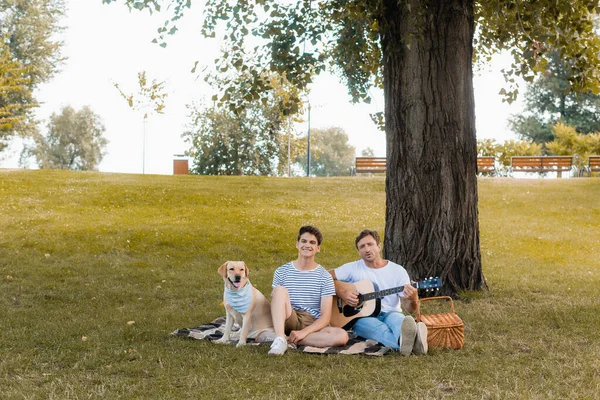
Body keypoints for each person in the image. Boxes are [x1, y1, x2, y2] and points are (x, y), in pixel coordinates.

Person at [329, 229, 428, 356]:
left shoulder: (397, 271)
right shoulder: (352, 268)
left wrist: (413, 298)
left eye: (370, 244)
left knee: (399, 323)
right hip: (362, 317)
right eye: (362, 247)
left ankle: (406, 341)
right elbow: (324, 277)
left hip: (391, 313)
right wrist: (342, 293)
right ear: (359, 252)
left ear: (379, 247)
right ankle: (414, 343)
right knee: (380, 330)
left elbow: (410, 310)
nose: (367, 249)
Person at [268, 225, 349, 356]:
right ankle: (280, 337)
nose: (307, 245)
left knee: (342, 336)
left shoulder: (324, 276)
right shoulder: (281, 271)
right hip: (290, 316)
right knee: (279, 290)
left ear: (318, 248)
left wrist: (304, 332)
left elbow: (325, 317)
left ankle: (287, 339)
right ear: (297, 244)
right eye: (304, 241)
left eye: (312, 242)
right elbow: (277, 302)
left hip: (313, 323)